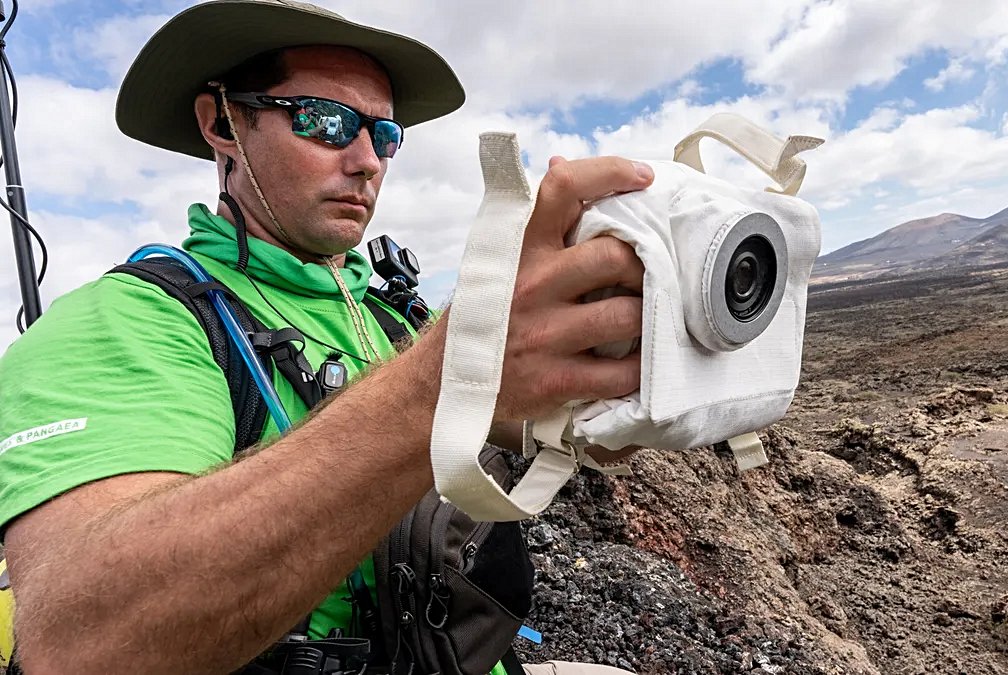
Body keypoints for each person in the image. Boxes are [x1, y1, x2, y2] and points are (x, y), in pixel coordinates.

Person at [0, 1, 648, 673]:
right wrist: (445, 372)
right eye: (325, 120)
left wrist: (624, 371)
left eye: (384, 134)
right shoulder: (128, 320)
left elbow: (566, 429)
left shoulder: (394, 319)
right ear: (222, 122)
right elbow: (82, 645)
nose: (367, 161)